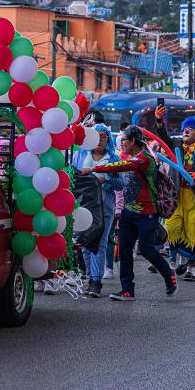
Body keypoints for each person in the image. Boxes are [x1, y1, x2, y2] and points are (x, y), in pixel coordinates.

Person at [80, 125, 177, 301]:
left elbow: (121, 165)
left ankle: (168, 275)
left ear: (133, 141)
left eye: (124, 139)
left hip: (147, 213)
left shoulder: (144, 159)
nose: (121, 142)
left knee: (147, 250)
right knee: (124, 250)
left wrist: (93, 169)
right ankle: (127, 290)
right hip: (128, 213)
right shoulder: (132, 156)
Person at [157, 115, 195, 281]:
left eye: (191, 128)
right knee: (172, 226)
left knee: (193, 231)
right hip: (176, 195)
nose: (186, 131)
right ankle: (174, 258)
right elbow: (163, 137)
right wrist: (159, 121)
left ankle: (191, 268)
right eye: (185, 128)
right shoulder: (176, 145)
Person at [78, 125, 124, 298]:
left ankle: (96, 281)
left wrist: (108, 179)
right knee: (85, 243)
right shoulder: (81, 155)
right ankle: (90, 276)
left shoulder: (113, 158)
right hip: (84, 208)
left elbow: (121, 183)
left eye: (104, 136)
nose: (100, 139)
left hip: (105, 207)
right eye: (96, 136)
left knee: (101, 242)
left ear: (108, 140)